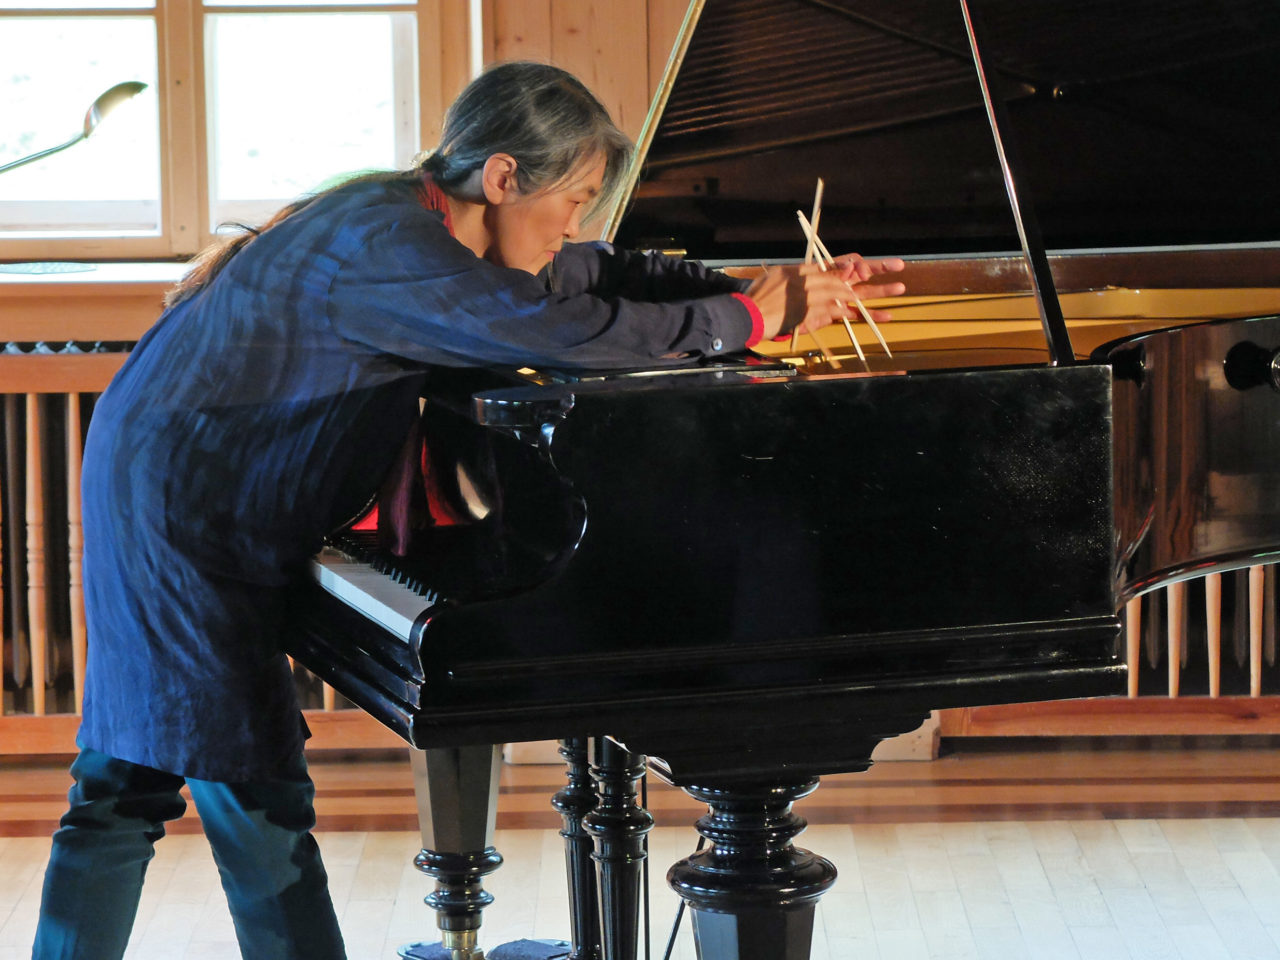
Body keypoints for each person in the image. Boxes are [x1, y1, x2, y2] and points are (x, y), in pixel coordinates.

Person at [30, 61, 906, 960]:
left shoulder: (406, 212)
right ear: (501, 178)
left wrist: (748, 289)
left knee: (126, 783)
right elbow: (552, 330)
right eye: (575, 200)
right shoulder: (393, 252)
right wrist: (744, 322)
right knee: (252, 798)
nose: (576, 228)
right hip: (191, 517)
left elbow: (585, 278)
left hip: (164, 483)